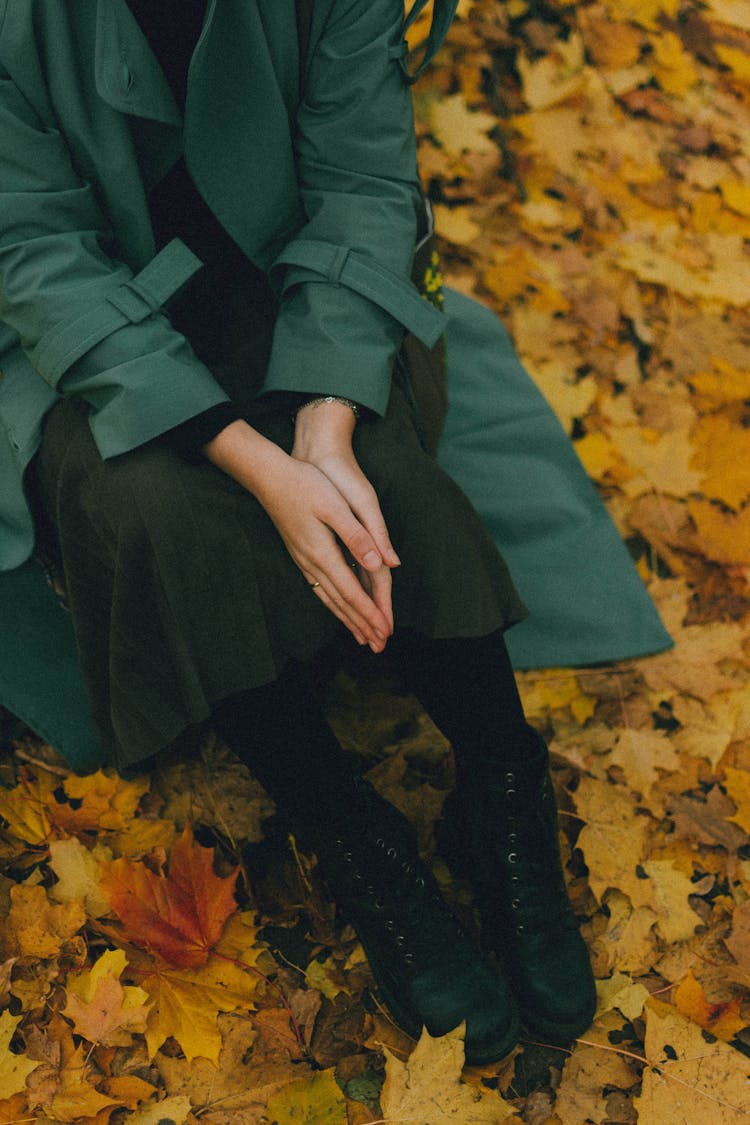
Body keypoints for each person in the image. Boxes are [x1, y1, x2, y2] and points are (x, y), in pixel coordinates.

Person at [0, 0, 666, 1062]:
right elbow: (34, 254)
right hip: (82, 324)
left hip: (302, 281)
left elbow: (363, 186)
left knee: (382, 477)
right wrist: (256, 463)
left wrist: (324, 427)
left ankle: (501, 788)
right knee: (148, 506)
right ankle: (348, 836)